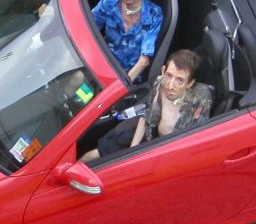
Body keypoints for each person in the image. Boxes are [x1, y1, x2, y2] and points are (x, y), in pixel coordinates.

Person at [81, 49, 212, 162]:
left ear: (189, 83)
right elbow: (147, 117)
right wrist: (132, 151)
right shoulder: (161, 84)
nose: (171, 85)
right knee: (91, 156)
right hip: (148, 137)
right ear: (163, 71)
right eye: (169, 76)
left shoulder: (200, 100)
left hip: (164, 156)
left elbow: (193, 145)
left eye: (180, 80)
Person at [92, 0, 163, 82]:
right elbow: (90, 27)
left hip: (127, 76)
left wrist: (121, 87)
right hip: (101, 63)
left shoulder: (154, 14)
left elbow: (144, 61)